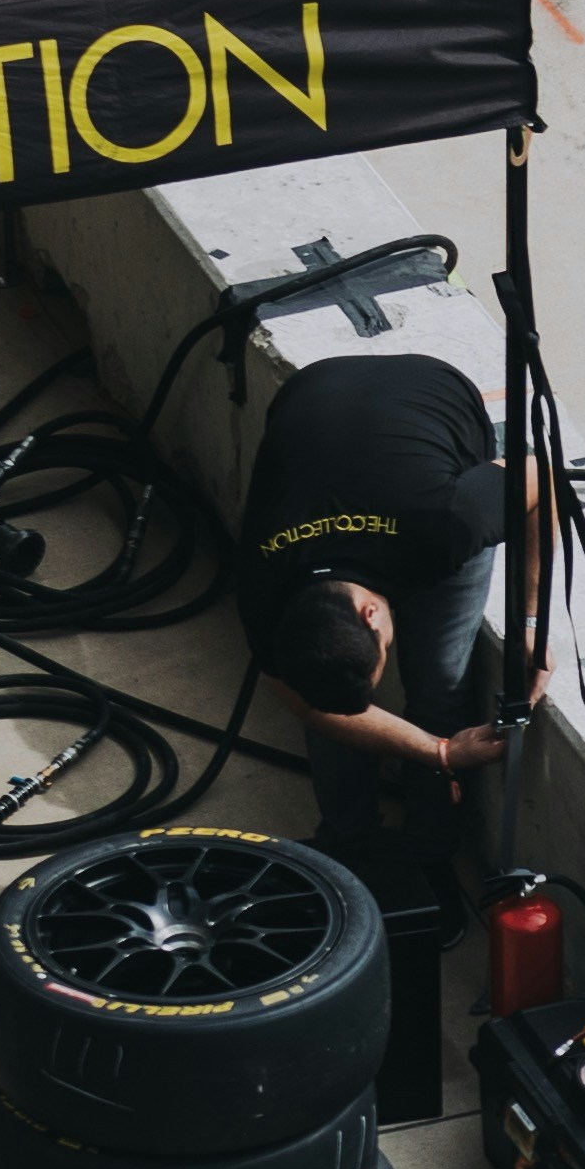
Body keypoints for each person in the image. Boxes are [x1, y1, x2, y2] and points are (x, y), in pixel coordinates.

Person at [232, 350, 526, 862]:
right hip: (316, 392)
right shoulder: (260, 585)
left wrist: (530, 625)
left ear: (372, 615)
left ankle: (431, 857)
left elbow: (537, 479)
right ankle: (348, 846)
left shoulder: (445, 524)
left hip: (428, 389)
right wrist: (439, 752)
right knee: (331, 696)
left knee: (439, 682)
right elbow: (315, 706)